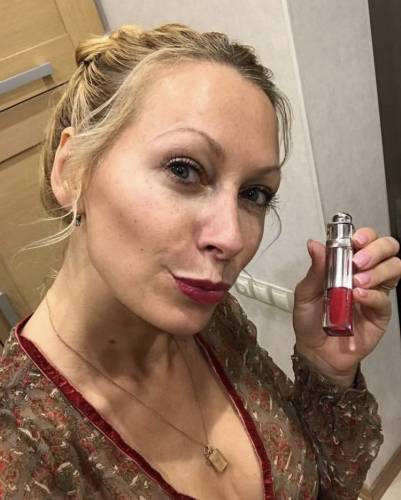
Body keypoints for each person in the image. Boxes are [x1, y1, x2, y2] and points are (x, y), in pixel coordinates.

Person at [0, 23, 400, 500]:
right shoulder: (21, 451)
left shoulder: (212, 321)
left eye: (254, 194)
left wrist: (327, 370)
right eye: (184, 169)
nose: (231, 238)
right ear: (71, 171)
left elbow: (322, 487)